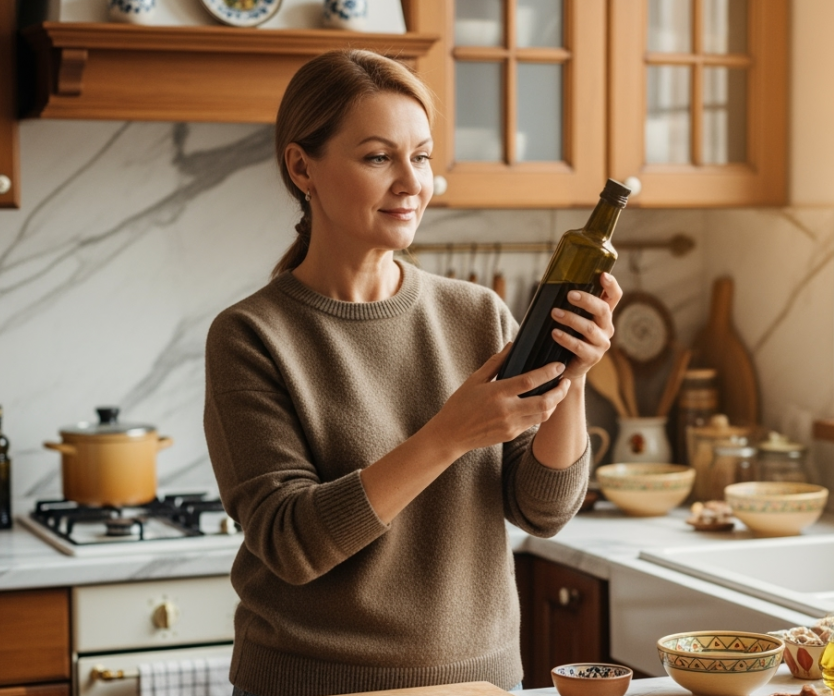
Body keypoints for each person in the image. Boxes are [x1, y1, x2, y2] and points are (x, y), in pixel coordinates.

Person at [204, 49, 621, 696]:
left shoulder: (476, 313)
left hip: (477, 684)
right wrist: (448, 436)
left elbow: (543, 510)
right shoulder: (253, 336)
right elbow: (289, 543)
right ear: (301, 166)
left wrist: (574, 376)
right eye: (378, 157)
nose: (411, 182)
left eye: (421, 157)